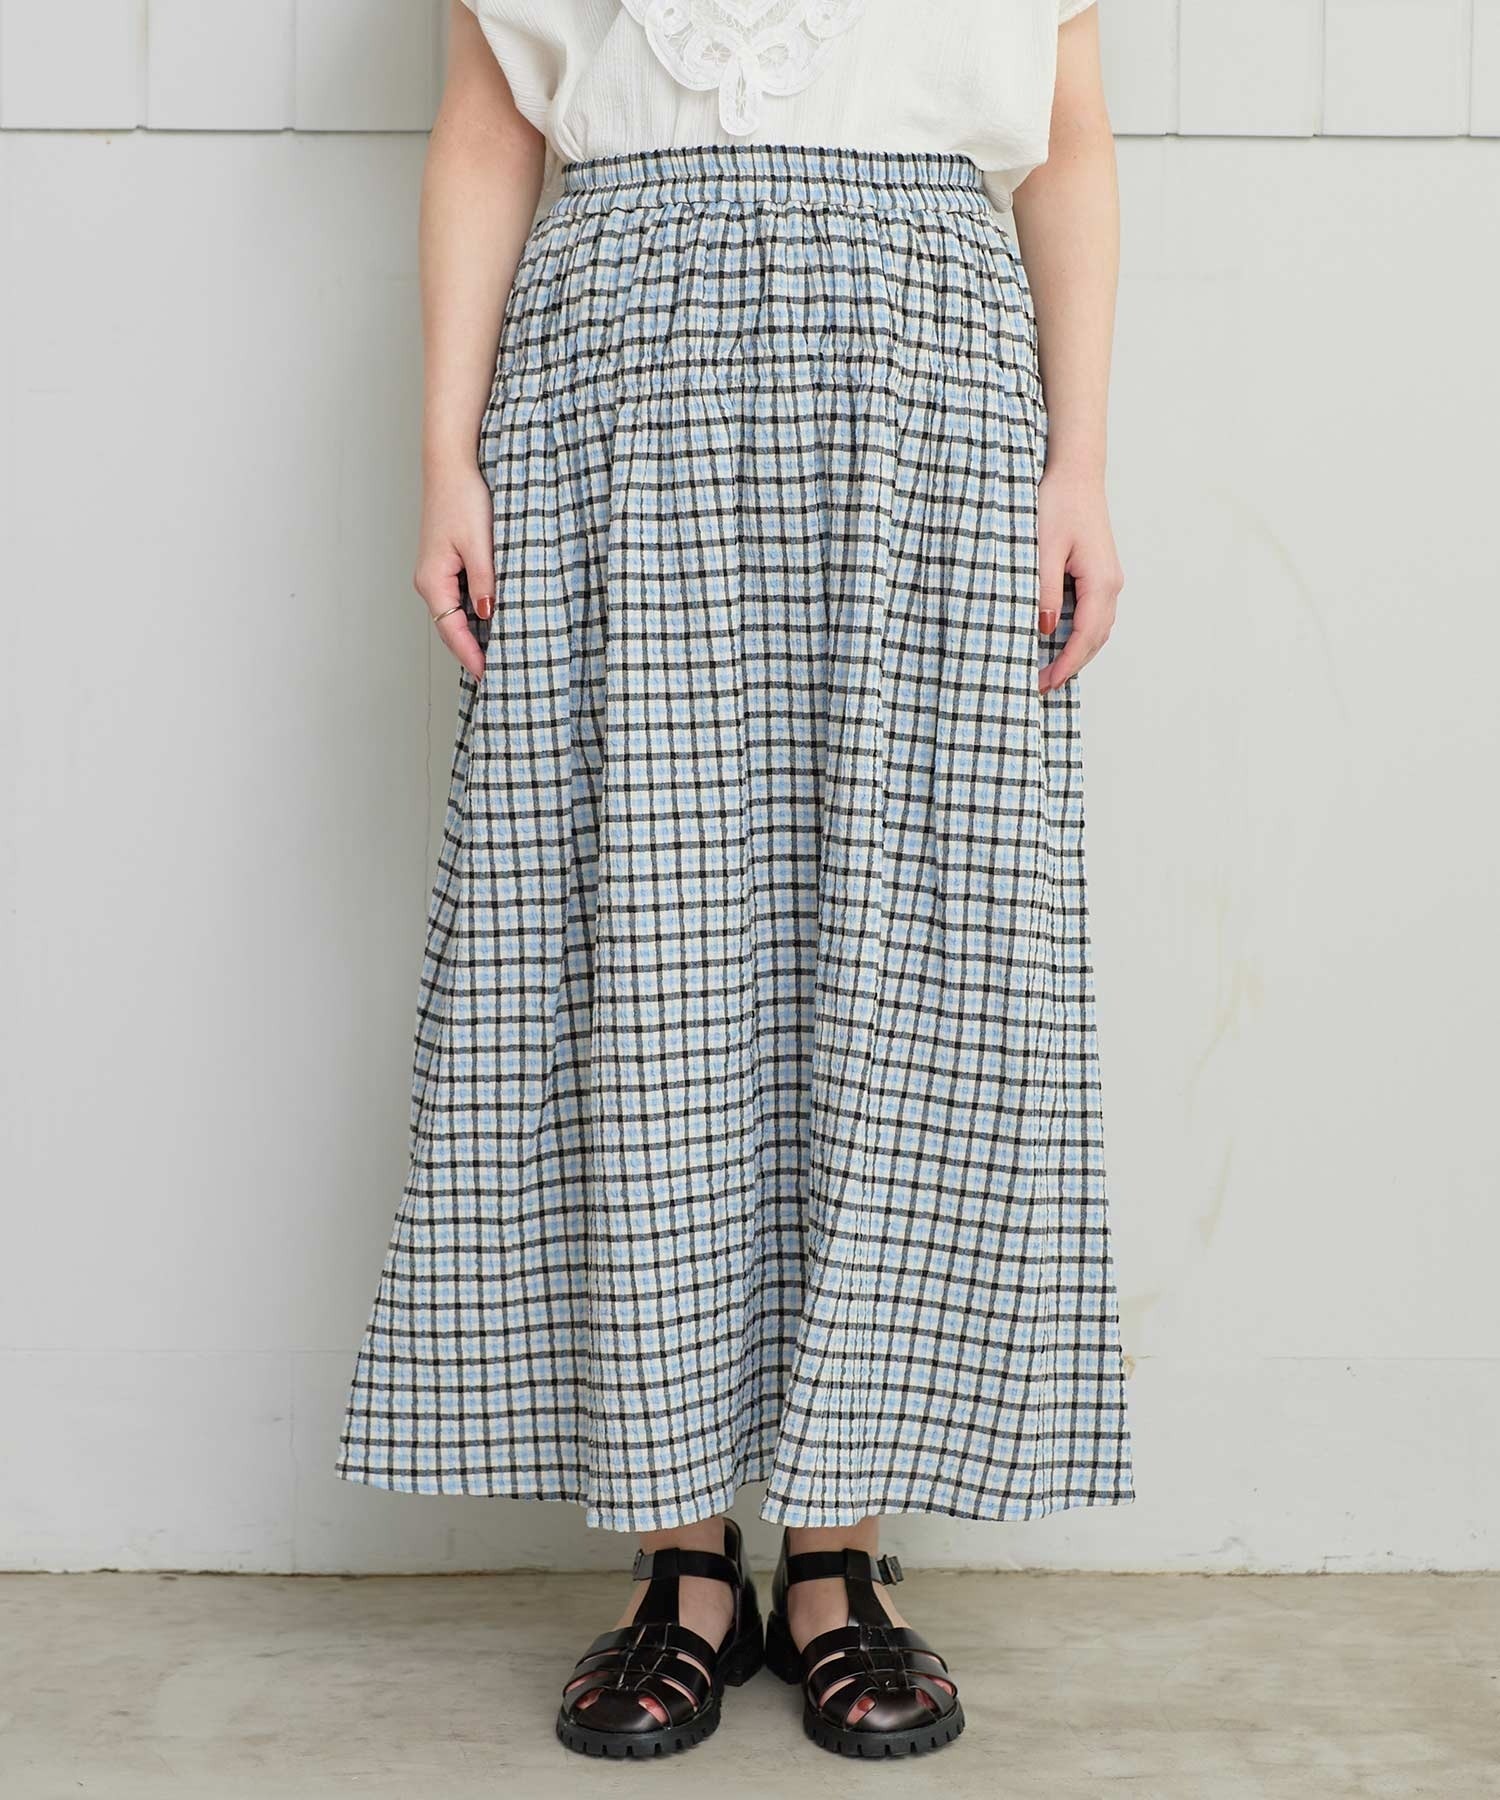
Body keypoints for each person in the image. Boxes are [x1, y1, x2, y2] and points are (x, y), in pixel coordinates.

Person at [337, 0, 1134, 1761]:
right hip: (617, 365)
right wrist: (444, 454)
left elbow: (1068, 135)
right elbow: (489, 123)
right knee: (642, 944)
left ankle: (838, 1551)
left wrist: (1078, 459)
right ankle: (681, 1553)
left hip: (926, 370)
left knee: (902, 942)